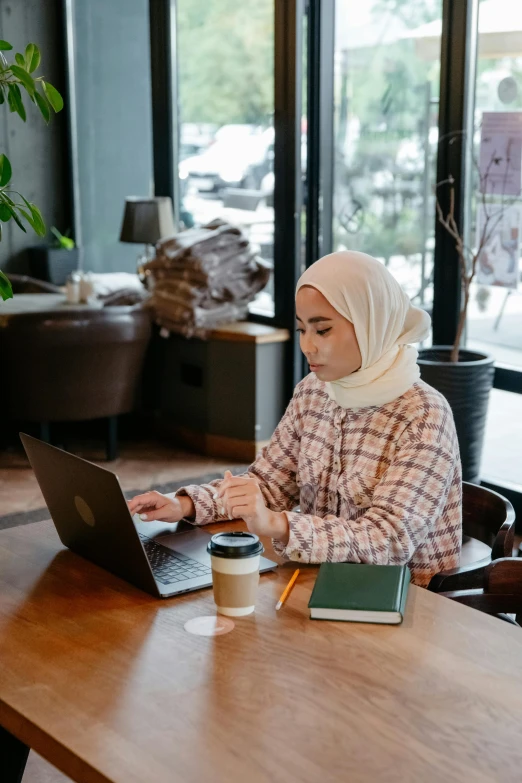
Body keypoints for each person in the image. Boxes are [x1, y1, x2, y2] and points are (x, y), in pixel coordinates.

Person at [128, 251, 462, 587]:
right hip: (316, 580)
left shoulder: (423, 415)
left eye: (323, 330)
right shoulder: (315, 391)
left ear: (370, 324)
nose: (307, 345)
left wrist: (277, 525)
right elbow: (269, 484)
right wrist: (183, 504)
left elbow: (388, 540)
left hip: (401, 603)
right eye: (302, 329)